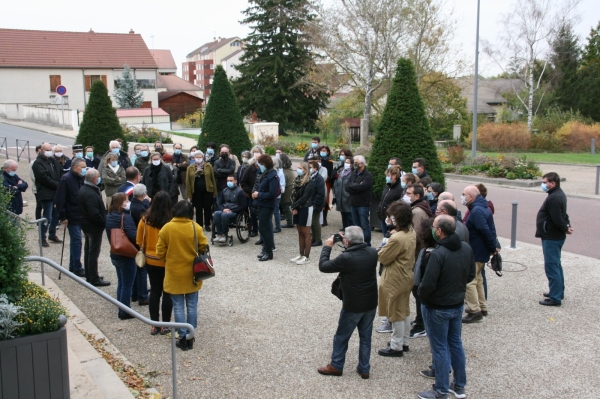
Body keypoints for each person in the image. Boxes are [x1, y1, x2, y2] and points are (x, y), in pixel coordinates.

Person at [417, 215, 475, 399]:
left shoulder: (438, 254)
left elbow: (427, 284)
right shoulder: (466, 247)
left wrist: (423, 297)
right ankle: (459, 385)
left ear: (440, 231)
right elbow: (471, 275)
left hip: (437, 307)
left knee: (440, 347)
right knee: (455, 344)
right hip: (456, 304)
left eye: (434, 227)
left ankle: (441, 389)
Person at [317, 226, 378, 379]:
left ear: (347, 242)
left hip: (353, 304)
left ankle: (336, 365)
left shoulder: (346, 258)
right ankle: (364, 368)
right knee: (366, 336)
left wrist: (327, 247)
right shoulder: (372, 253)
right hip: (370, 302)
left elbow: (323, 266)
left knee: (342, 336)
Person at [157, 200, 208, 351]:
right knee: (192, 305)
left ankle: (182, 336)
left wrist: (170, 259)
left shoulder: (167, 228)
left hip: (174, 273)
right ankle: (190, 336)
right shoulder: (195, 227)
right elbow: (204, 247)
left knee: (178, 307)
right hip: (193, 272)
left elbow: (160, 251)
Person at [377, 202, 417, 357]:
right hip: (406, 275)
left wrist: (384, 246)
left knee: (395, 312)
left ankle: (396, 346)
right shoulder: (410, 232)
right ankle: (404, 342)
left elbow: (383, 257)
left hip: (395, 277)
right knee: (404, 310)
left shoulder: (397, 238)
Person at [137, 191, 173, 335]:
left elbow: (139, 240)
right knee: (167, 292)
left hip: (151, 260)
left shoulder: (145, 219)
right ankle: (165, 324)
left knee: (154, 291)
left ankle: (154, 324)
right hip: (167, 260)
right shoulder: (171, 221)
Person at [461, 185, 498, 323]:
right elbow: (490, 229)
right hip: (481, 250)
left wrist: (493, 248)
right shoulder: (483, 207)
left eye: (464, 194)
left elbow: (485, 230)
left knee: (470, 282)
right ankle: (482, 307)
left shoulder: (476, 211)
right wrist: (492, 248)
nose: (463, 197)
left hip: (476, 250)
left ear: (471, 197)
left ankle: (474, 310)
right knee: (478, 281)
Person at [536, 172, 573, 306]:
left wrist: (565, 228)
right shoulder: (558, 194)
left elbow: (558, 218)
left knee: (552, 266)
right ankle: (557, 291)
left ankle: (555, 297)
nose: (543, 185)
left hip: (551, 237)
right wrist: (567, 226)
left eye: (545, 182)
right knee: (556, 264)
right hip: (554, 236)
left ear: (553, 183)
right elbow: (564, 214)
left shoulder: (554, 198)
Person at [105, 193, 138, 320]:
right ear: (122, 203)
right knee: (127, 284)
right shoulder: (125, 217)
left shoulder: (109, 216)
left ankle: (121, 305)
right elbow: (133, 236)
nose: (128, 201)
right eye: (126, 200)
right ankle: (124, 310)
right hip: (126, 255)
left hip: (115, 253)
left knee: (121, 282)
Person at [77, 168, 110, 286]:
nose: (99, 178)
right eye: (98, 176)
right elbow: (94, 213)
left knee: (88, 251)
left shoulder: (86, 189)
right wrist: (104, 222)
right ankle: (93, 278)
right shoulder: (89, 192)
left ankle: (90, 274)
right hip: (92, 226)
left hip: (87, 225)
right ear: (94, 179)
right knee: (93, 252)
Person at [54, 158, 86, 277]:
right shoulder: (66, 179)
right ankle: (77, 267)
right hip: (71, 215)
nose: (84, 169)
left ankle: (73, 265)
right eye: (82, 167)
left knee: (76, 241)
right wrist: (62, 217)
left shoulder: (80, 179)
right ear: (75, 167)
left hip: (79, 214)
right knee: (77, 240)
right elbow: (59, 200)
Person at [32, 142, 63, 247]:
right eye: (47, 149)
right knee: (47, 216)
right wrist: (57, 185)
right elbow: (43, 178)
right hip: (46, 193)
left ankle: (52, 234)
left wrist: (61, 183)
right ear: (42, 150)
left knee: (56, 215)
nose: (50, 151)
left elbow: (61, 171)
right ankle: (42, 237)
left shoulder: (53, 161)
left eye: (50, 149)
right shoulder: (38, 163)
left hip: (55, 192)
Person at [252, 154, 279, 261]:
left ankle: (269, 251)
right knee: (266, 228)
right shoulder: (265, 174)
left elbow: (272, 193)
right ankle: (266, 249)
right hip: (262, 204)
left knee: (263, 228)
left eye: (261, 163)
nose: (259, 165)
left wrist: (259, 195)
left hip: (268, 205)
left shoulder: (272, 175)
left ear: (265, 164)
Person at [290, 162, 315, 265]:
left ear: (305, 169)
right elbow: (294, 195)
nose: (298, 170)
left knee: (306, 233)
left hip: (305, 208)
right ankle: (301, 254)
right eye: (298, 168)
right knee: (300, 232)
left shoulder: (309, 181)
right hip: (298, 208)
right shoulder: (297, 180)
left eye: (300, 168)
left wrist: (293, 206)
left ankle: (307, 256)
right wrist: (294, 206)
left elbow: (305, 197)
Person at [345, 155, 373, 246]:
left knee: (364, 225)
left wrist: (354, 186)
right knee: (356, 225)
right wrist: (356, 186)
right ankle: (357, 244)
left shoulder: (368, 175)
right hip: (353, 203)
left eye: (356, 163)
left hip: (363, 204)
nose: (354, 165)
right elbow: (347, 187)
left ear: (362, 164)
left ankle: (367, 244)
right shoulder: (353, 173)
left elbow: (362, 187)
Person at [186, 150, 217, 231]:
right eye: (197, 157)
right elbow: (188, 181)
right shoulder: (190, 168)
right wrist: (189, 195)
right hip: (196, 192)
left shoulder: (208, 166)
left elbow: (212, 179)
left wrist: (214, 192)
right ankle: (199, 225)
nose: (198, 158)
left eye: (200, 157)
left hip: (208, 191)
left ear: (203, 157)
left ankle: (207, 224)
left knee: (207, 208)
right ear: (194, 158)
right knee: (198, 209)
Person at [213, 175, 247, 242]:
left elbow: (243, 206)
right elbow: (220, 203)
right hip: (225, 210)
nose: (229, 182)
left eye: (231, 181)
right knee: (216, 213)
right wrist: (223, 209)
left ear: (235, 181)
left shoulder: (240, 192)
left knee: (224, 215)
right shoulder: (224, 191)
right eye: (228, 181)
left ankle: (224, 234)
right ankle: (220, 234)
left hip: (235, 211)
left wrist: (232, 210)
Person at [377, 165, 404, 236]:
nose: (387, 177)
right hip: (383, 216)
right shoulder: (388, 186)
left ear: (394, 176)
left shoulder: (400, 188)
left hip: (391, 219)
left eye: (388, 175)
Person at [331, 150, 354, 231]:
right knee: (343, 213)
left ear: (352, 164)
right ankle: (345, 227)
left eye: (348, 163)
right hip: (340, 196)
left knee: (349, 214)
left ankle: (351, 228)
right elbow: (336, 182)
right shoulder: (341, 171)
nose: (346, 164)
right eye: (345, 162)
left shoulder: (353, 174)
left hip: (347, 196)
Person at [240, 153, 260, 237]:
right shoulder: (249, 169)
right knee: (253, 213)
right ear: (254, 160)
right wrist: (251, 191)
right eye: (257, 159)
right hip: (252, 195)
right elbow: (243, 183)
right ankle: (254, 229)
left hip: (263, 195)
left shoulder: (266, 170)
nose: (258, 161)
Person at [309, 160, 326, 247]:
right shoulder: (311, 177)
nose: (309, 169)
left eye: (310, 167)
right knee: (311, 222)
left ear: (315, 168)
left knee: (315, 221)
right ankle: (314, 238)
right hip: (311, 202)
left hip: (316, 203)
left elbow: (320, 193)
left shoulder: (319, 178)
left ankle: (318, 239)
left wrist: (315, 203)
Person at [318, 145, 334, 226]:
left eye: (324, 150)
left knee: (326, 200)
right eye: (321, 150)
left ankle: (324, 219)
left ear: (327, 152)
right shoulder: (317, 159)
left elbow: (330, 173)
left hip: (326, 182)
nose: (322, 152)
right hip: (317, 181)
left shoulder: (329, 161)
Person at [279, 153, 296, 228]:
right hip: (291, 188)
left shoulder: (284, 172)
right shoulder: (289, 169)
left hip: (288, 190)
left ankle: (290, 222)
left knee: (286, 205)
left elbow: (282, 183)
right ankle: (291, 221)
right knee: (289, 205)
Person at [29, 145, 43, 219]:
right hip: (37, 188)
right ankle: (38, 222)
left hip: (46, 188)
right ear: (37, 152)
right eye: (39, 151)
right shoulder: (33, 163)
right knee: (39, 205)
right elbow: (32, 177)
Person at [272, 157, 285, 233]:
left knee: (276, 211)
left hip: (277, 195)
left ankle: (278, 226)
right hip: (273, 194)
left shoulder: (280, 173)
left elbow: (282, 185)